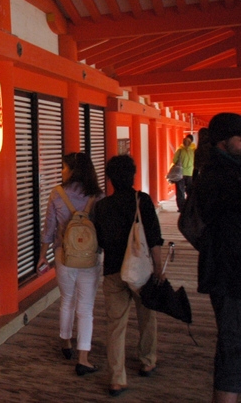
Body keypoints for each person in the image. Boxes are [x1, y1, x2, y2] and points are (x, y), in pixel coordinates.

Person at [93, 154, 165, 398]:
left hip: (113, 270)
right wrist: (158, 268)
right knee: (147, 317)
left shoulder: (101, 206)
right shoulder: (141, 200)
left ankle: (117, 378)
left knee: (115, 325)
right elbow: (154, 238)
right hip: (141, 272)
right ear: (133, 175)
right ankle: (147, 360)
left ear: (110, 179)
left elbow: (99, 242)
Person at [37, 152, 103, 376]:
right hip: (90, 258)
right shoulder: (97, 196)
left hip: (64, 255)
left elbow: (49, 228)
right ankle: (84, 358)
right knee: (86, 308)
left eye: (64, 167)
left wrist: (42, 255)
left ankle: (66, 342)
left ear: (73, 171)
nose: (62, 171)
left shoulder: (57, 194)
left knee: (67, 300)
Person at [194, 113, 241, 403]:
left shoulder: (224, 170)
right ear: (224, 142)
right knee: (232, 345)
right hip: (229, 273)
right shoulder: (218, 176)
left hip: (227, 270)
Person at [172, 134, 195, 211]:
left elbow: (174, 160)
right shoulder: (193, 151)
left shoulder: (180, 150)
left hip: (180, 173)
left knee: (180, 191)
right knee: (189, 191)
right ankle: (189, 206)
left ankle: (181, 208)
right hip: (190, 173)